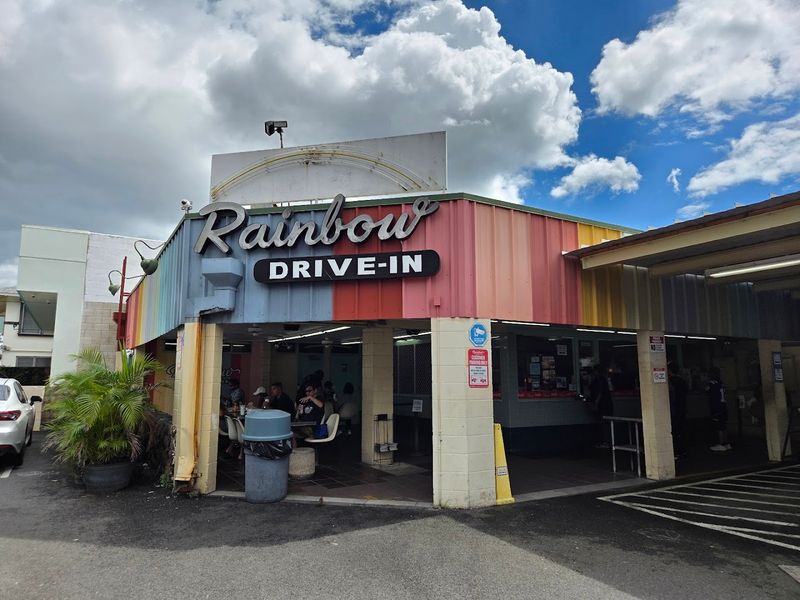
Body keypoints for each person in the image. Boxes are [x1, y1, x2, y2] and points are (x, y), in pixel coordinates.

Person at [707, 366, 731, 451]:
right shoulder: (720, 383)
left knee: (719, 426)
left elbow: (711, 394)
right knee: (724, 425)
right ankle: (726, 442)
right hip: (723, 405)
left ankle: (721, 444)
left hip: (717, 407)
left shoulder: (712, 383)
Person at [590, 365, 613, 448]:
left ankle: (606, 441)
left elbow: (600, 392)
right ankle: (604, 441)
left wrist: (596, 402)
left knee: (604, 423)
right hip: (605, 405)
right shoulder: (602, 379)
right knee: (603, 423)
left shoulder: (600, 380)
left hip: (603, 405)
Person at [668, 362, 688, 459]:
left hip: (673, 409)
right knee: (682, 431)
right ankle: (683, 451)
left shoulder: (669, 382)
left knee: (674, 432)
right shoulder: (682, 381)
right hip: (682, 408)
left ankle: (675, 452)